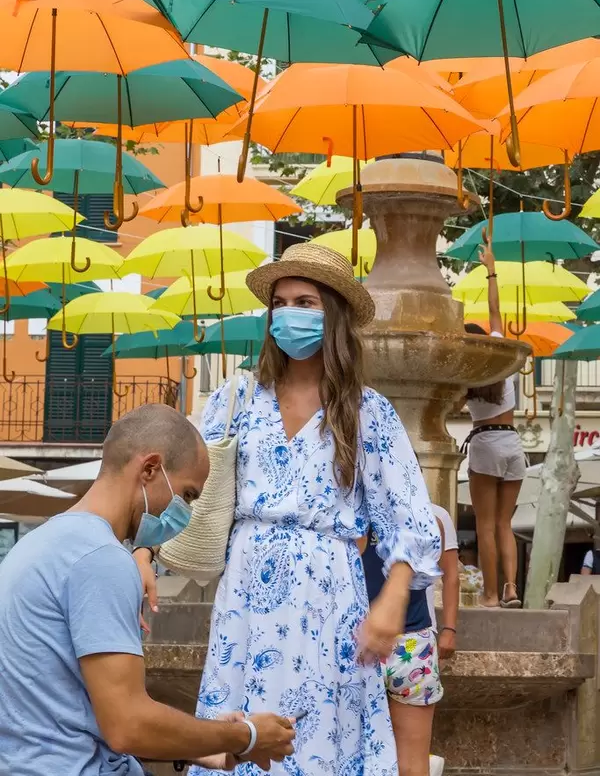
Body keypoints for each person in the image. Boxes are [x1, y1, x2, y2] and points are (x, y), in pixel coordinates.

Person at [136, 244, 441, 776]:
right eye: (279, 302)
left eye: (305, 301)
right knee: (239, 733)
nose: (288, 313)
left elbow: (412, 517)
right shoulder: (237, 397)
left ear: (335, 316)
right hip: (245, 598)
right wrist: (144, 550)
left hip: (331, 598)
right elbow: (182, 490)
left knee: (323, 741)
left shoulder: (369, 411)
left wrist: (392, 601)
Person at [0, 404, 295, 776]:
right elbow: (129, 726)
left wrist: (209, 747)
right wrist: (246, 735)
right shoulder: (102, 560)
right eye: (187, 495)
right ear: (150, 469)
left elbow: (77, 711)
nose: (183, 515)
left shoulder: (41, 543)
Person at [360, 504, 459, 776]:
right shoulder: (430, 517)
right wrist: (449, 629)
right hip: (415, 644)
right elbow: (450, 574)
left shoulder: (350, 513)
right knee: (413, 765)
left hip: (362, 639)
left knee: (353, 754)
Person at [463, 230, 526, 609]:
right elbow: (495, 313)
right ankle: (512, 588)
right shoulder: (504, 361)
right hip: (514, 445)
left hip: (485, 444)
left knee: (484, 525)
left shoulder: (468, 375)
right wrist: (491, 271)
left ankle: (489, 594)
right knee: (506, 524)